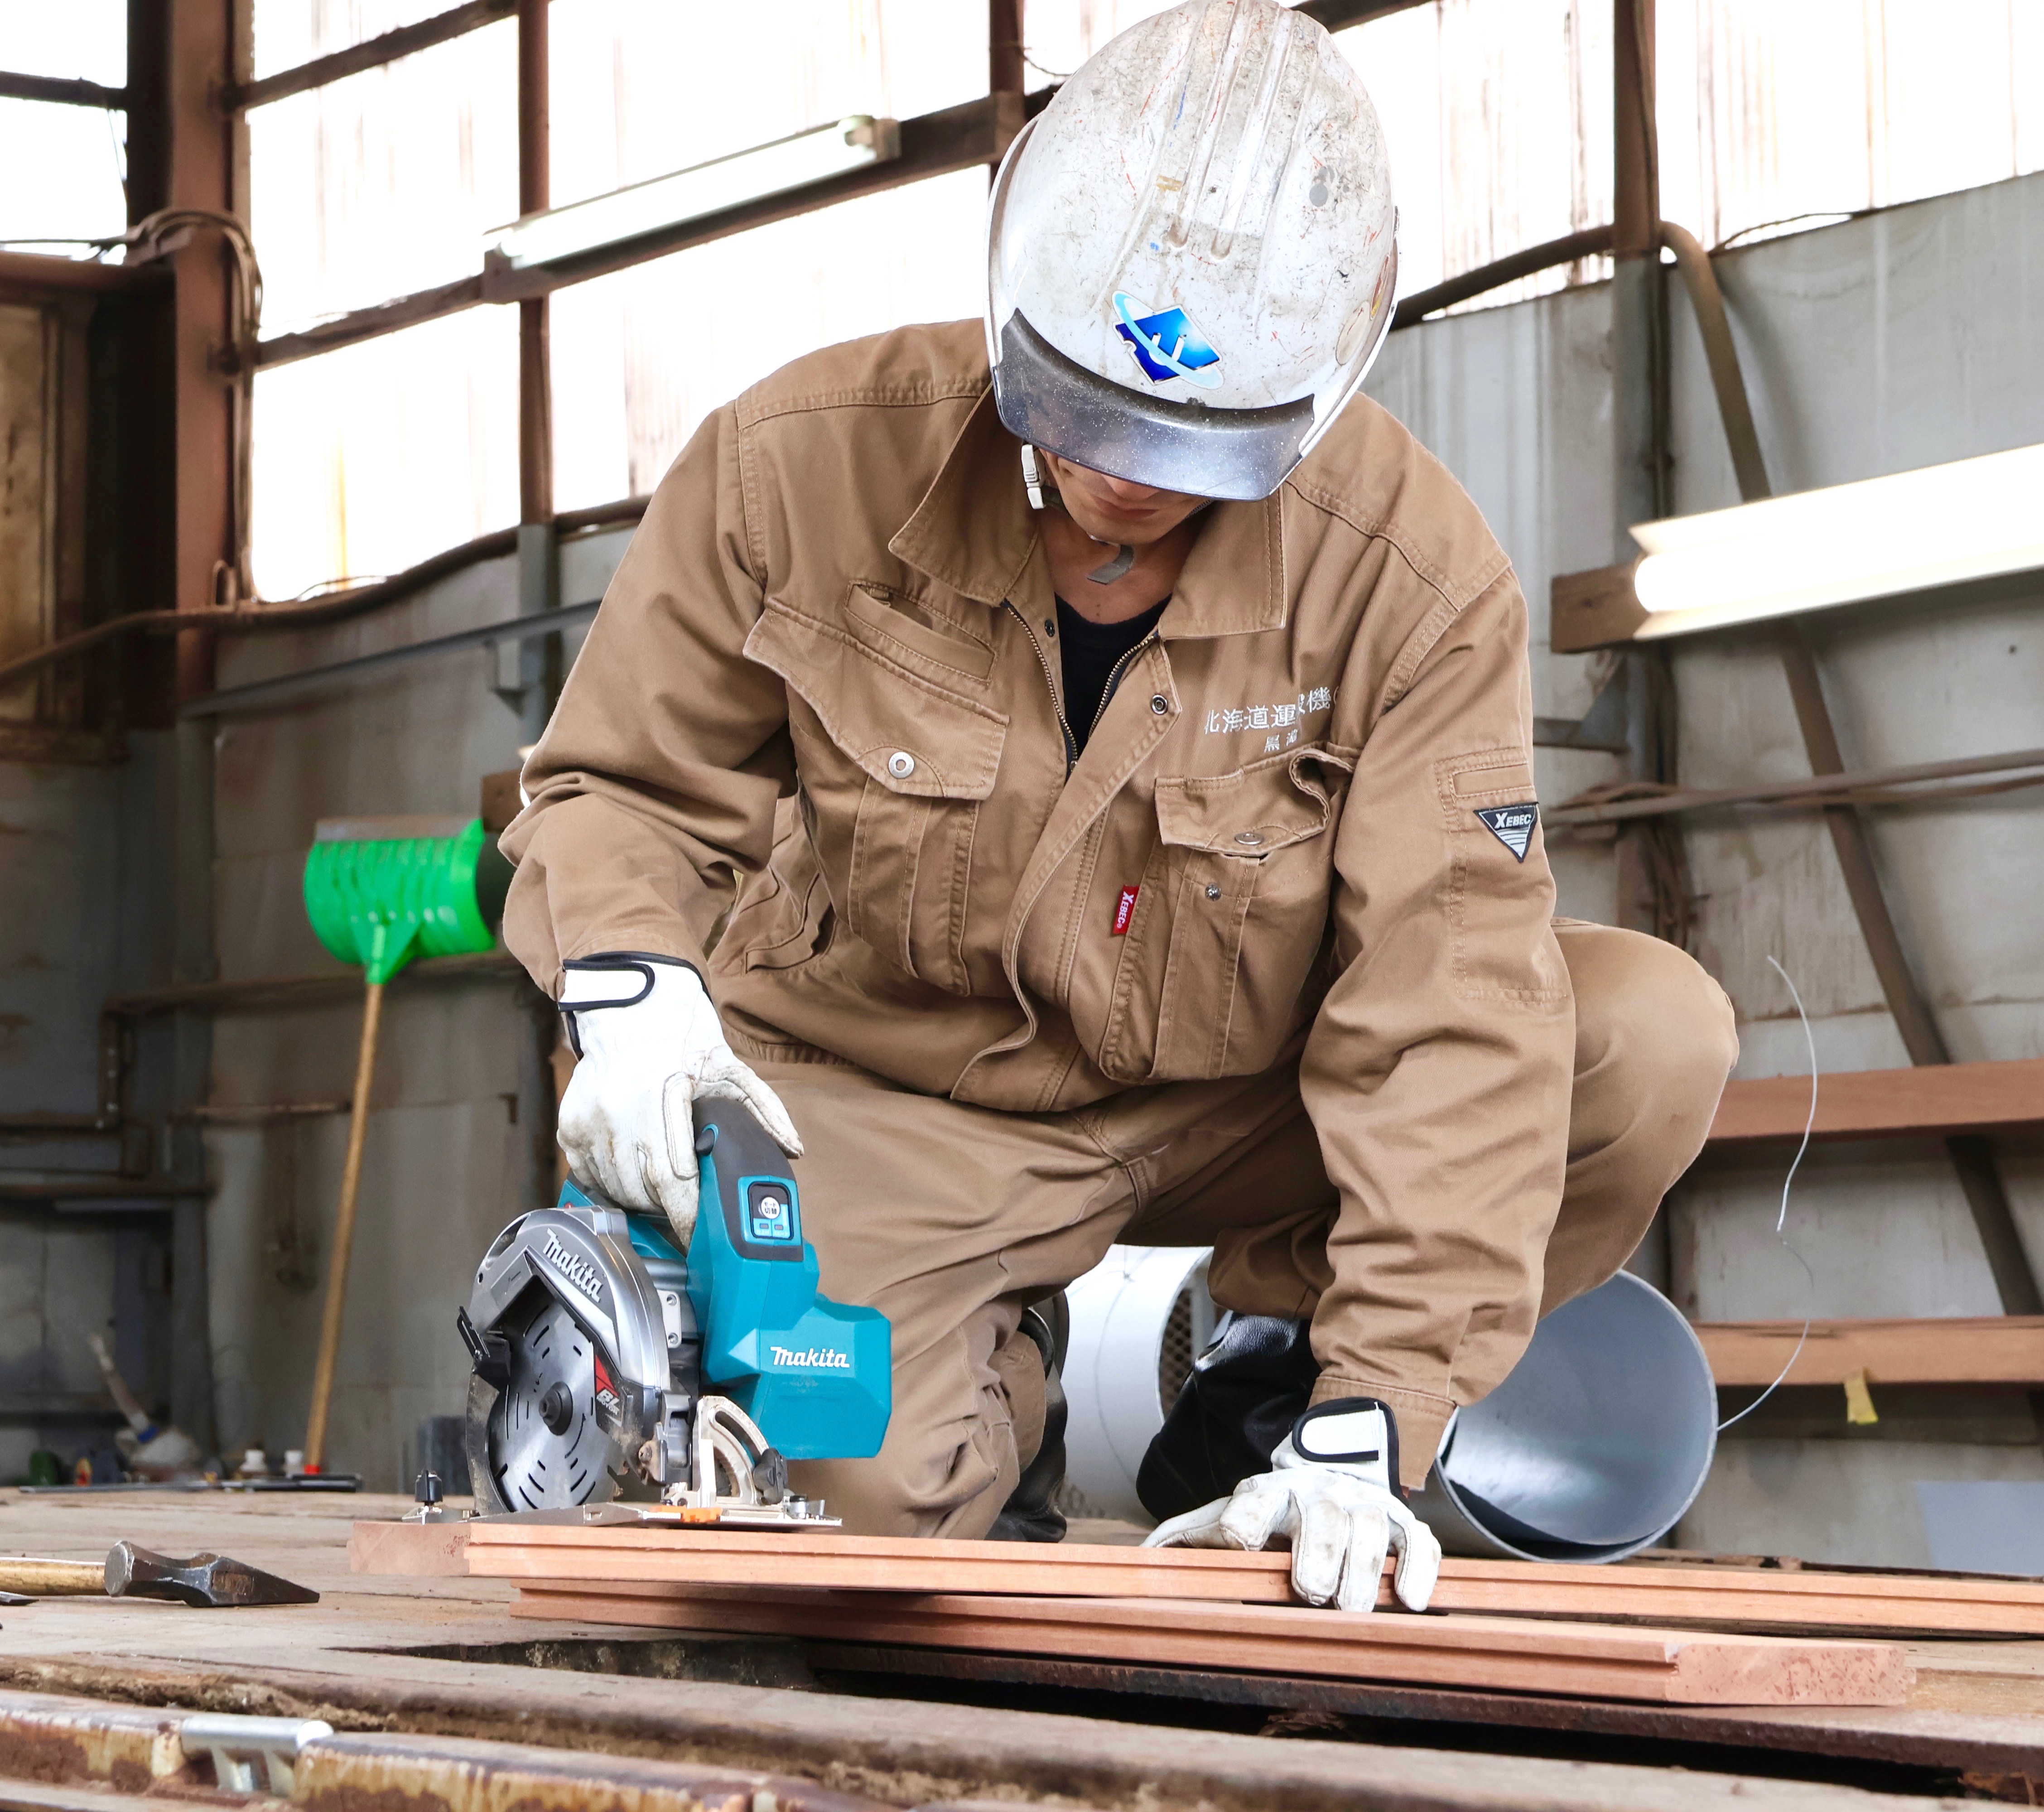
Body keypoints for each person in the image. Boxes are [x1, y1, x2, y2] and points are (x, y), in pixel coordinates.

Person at [497, 0, 1736, 1613]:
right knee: (843, 1515)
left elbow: (1453, 1004)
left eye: (1185, 445)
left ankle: (1274, 1373)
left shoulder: (1412, 582)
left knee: (1643, 1038)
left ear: (1314, 386)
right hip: (894, 1094)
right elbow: (617, 783)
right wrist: (631, 992)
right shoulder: (796, 469)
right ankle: (1005, 1384)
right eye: (1081, 407)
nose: (1121, 478)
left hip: (1253, 1100)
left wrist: (1376, 1411)